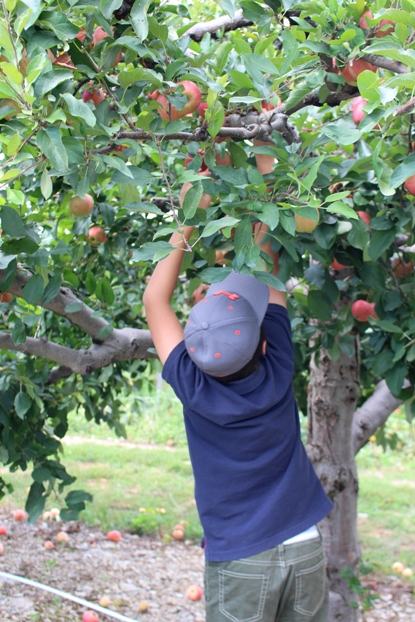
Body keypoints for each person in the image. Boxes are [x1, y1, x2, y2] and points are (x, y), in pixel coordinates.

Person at [143, 145, 334, 622]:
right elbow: (267, 257)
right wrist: (266, 158)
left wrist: (188, 211)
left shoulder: (193, 383)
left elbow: (154, 299)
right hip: (305, 545)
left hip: (240, 560)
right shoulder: (279, 368)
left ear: (192, 352)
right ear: (265, 344)